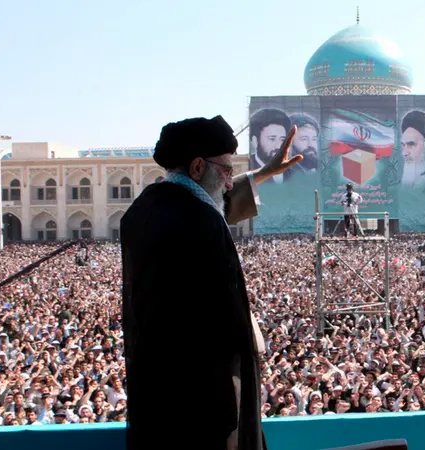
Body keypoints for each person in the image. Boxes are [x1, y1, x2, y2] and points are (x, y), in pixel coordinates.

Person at [120, 115, 302, 450]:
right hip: (199, 391)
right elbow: (219, 315)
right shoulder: (198, 221)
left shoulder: (149, 207)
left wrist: (265, 172)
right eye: (227, 170)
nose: (231, 182)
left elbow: (212, 206)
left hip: (157, 385)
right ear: (198, 166)